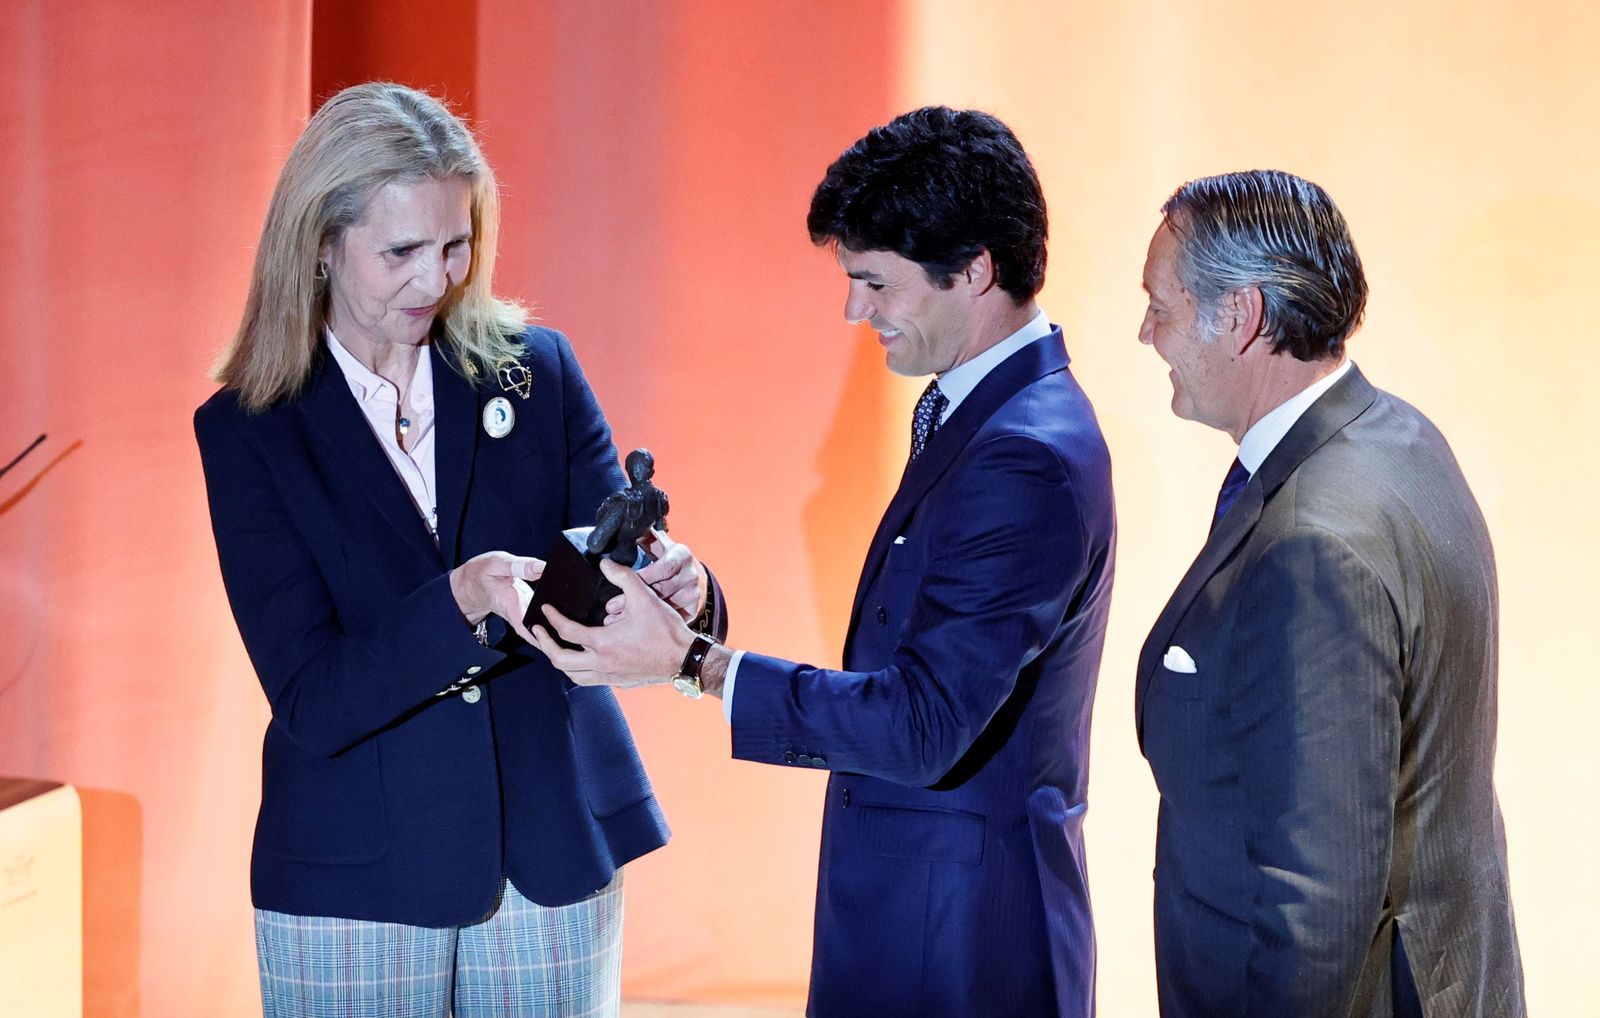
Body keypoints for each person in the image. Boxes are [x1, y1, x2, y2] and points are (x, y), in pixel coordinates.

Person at [533, 106, 1116, 1017]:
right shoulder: (985, 418)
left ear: (974, 272)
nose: (854, 311)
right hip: (916, 918)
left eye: (875, 284)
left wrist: (694, 664)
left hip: (960, 947)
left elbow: (924, 723)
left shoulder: (1023, 454)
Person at [194, 82, 724, 1016]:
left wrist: (679, 584)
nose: (436, 279)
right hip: (353, 876)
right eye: (401, 250)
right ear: (321, 244)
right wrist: (463, 597)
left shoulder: (538, 369)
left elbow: (605, 567)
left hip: (549, 853)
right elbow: (313, 697)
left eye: (455, 243)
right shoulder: (250, 430)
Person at [1134, 169, 1524, 1016]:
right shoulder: (1397, 435)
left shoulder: (1311, 542)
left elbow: (1317, 895)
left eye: (1160, 308)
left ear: (1240, 317)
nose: (1146, 333)